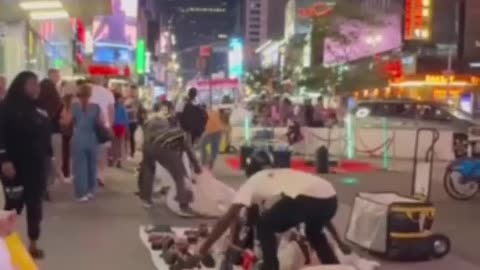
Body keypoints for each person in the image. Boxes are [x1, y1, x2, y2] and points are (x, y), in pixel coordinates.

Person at [195, 151, 350, 270]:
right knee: (314, 232)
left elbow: (226, 219)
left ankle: (271, 268)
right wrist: (339, 242)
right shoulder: (282, 174)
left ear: (249, 172)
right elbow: (318, 207)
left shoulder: (252, 181)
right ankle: (333, 265)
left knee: (265, 224)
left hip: (310, 199)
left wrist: (202, 250)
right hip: (330, 199)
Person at [0, 71, 52, 258]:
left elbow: (46, 135)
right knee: (13, 205)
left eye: (37, 84)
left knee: (35, 205)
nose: (36, 88)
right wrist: (4, 159)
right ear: (22, 85)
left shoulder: (38, 109)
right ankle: (3, 243)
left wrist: (49, 157)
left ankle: (33, 243)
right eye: (32, 84)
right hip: (13, 167)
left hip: (35, 167)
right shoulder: (7, 108)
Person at [138, 104, 202, 212]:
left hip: (148, 146)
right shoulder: (183, 134)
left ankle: (146, 199)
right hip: (163, 148)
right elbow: (190, 152)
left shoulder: (160, 124)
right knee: (180, 175)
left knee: (149, 171)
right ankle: (184, 205)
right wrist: (196, 166)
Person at [62, 84, 102, 202]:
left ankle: (81, 193)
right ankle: (91, 190)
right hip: (92, 138)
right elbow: (101, 123)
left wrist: (65, 108)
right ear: (90, 95)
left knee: (79, 167)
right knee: (92, 165)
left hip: (78, 138)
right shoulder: (96, 107)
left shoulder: (74, 106)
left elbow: (66, 121)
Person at [37, 79, 64, 199]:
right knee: (55, 161)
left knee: (43, 161)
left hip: (40, 135)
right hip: (55, 133)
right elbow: (61, 120)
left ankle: (41, 186)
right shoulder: (58, 103)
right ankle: (49, 185)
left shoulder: (35, 102)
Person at [89, 76, 114, 186]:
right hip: (104, 124)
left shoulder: (88, 91)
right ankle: (101, 174)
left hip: (90, 124)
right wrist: (110, 126)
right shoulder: (108, 93)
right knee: (103, 151)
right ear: (103, 81)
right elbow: (111, 110)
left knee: (91, 150)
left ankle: (93, 173)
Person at [125, 85, 146, 158]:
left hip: (133, 121)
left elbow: (141, 111)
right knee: (127, 137)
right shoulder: (126, 99)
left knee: (130, 136)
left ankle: (131, 152)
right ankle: (128, 151)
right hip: (125, 121)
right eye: (130, 90)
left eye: (133, 91)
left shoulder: (137, 101)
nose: (131, 92)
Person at [111, 92, 129, 168]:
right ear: (118, 99)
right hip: (121, 126)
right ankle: (119, 160)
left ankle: (113, 159)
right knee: (120, 144)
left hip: (113, 126)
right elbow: (125, 118)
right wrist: (127, 128)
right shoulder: (121, 107)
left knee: (114, 143)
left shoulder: (112, 106)